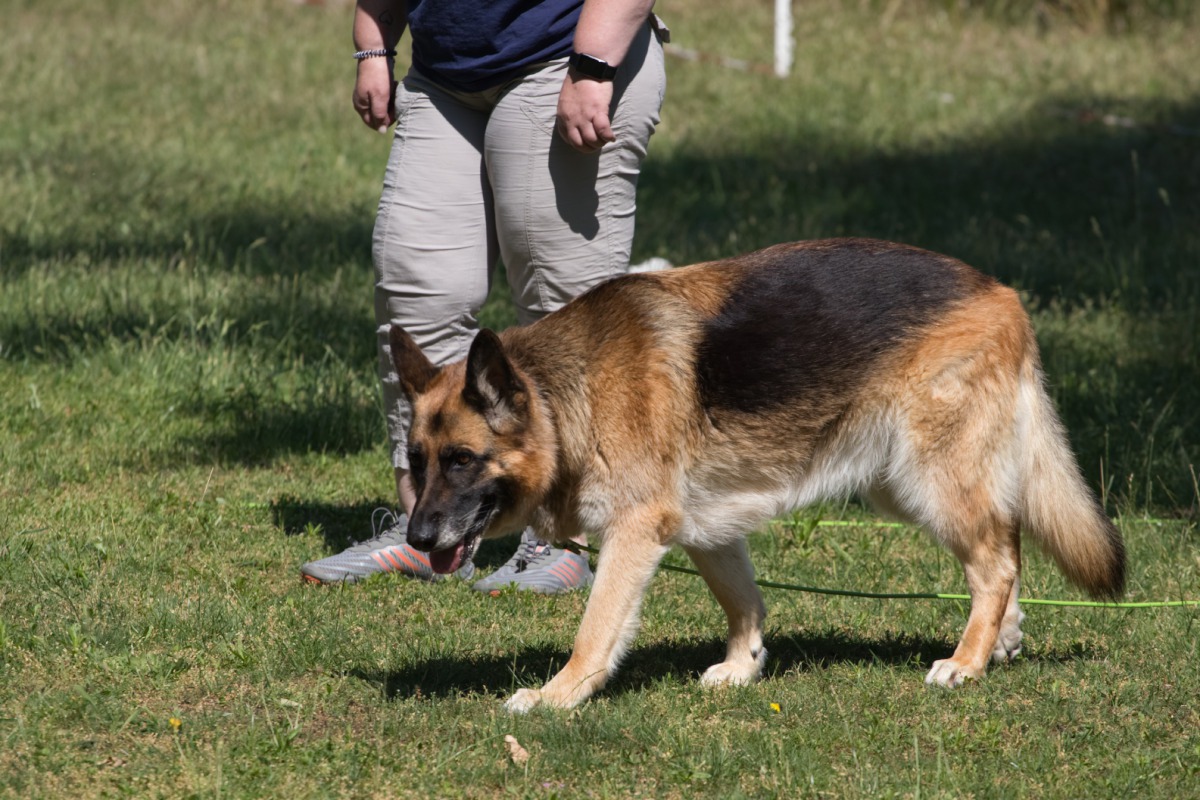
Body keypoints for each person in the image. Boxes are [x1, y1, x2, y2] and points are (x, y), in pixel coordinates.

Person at [300, 0, 668, 593]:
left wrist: (594, 67)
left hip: (562, 54)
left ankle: (562, 539)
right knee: (414, 292)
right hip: (443, 73)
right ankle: (426, 528)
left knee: (562, 305)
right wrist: (373, 45)